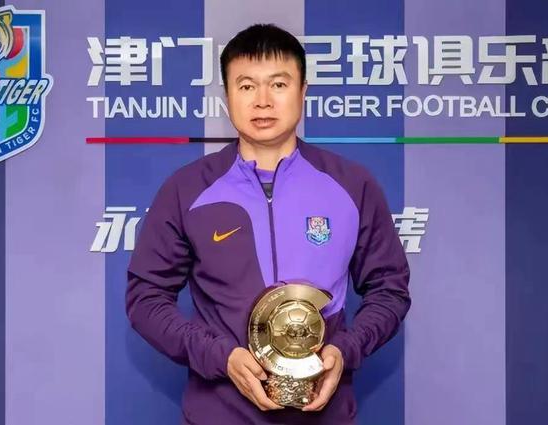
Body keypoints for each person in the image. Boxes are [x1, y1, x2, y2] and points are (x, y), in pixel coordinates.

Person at [126, 23, 411, 425]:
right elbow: (146, 297)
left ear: (303, 91)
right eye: (246, 86)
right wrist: (219, 356)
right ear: (227, 97)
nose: (262, 101)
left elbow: (389, 289)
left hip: (326, 415)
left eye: (278, 84)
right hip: (218, 414)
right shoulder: (187, 190)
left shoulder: (351, 185)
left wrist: (345, 350)